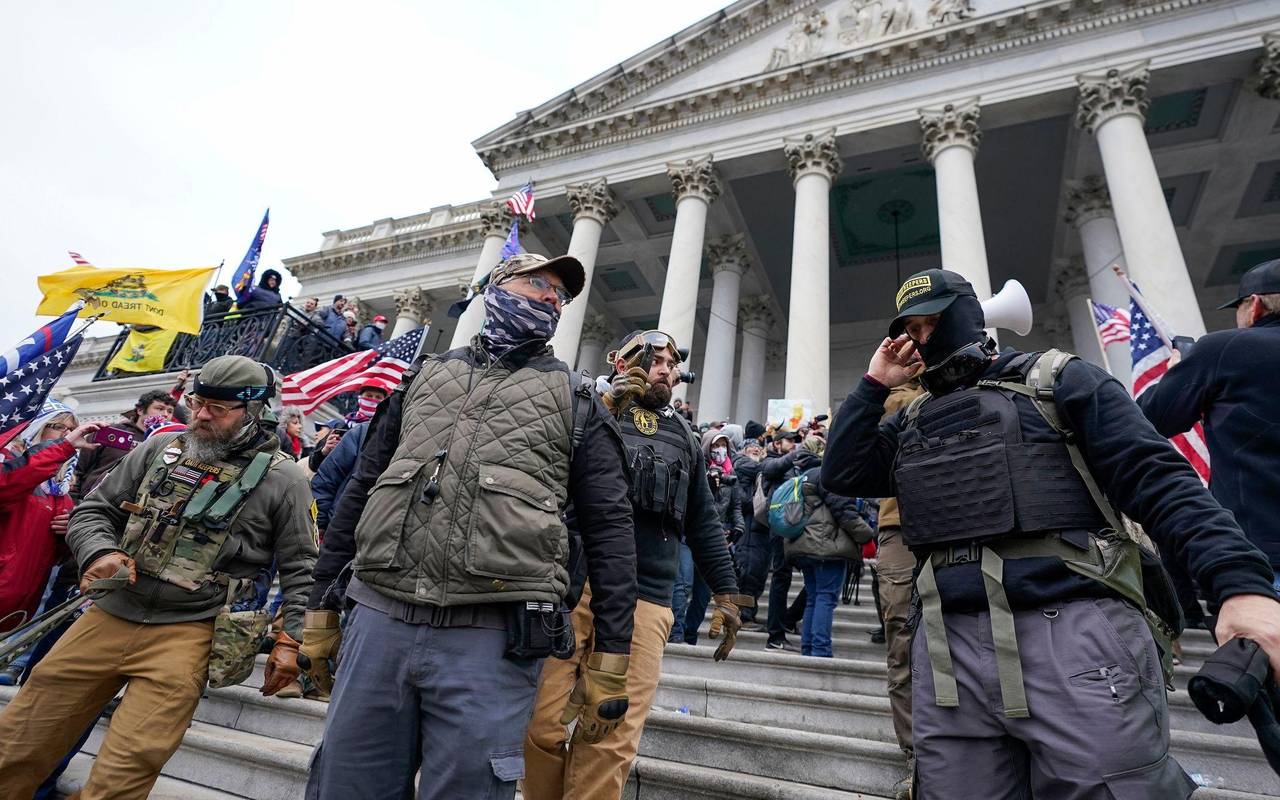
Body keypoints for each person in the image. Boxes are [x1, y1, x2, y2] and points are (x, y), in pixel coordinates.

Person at [822, 268, 1280, 798]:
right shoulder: (912, 419)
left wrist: (1240, 585)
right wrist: (874, 384)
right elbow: (843, 472)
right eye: (911, 330)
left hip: (1072, 628)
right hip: (947, 647)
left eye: (932, 324)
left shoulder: (1060, 380)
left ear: (966, 317)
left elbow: (1157, 478)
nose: (922, 340)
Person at [300, 252, 637, 800]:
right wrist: (319, 610)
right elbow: (360, 491)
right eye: (537, 283)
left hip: (493, 636)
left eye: (559, 294)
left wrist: (612, 655)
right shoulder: (420, 380)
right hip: (379, 619)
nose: (550, 298)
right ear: (495, 288)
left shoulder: (579, 403)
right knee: (346, 784)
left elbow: (610, 532)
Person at [0, 356, 319, 799]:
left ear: (253, 411)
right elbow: (94, 511)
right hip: (109, 613)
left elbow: (303, 567)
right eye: (197, 402)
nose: (201, 415)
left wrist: (292, 640)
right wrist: (101, 552)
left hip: (190, 631)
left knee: (127, 768)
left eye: (217, 408)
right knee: (18, 741)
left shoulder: (285, 479)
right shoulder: (158, 449)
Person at [523, 329, 749, 800]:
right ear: (619, 362)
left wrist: (726, 593)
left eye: (671, 363)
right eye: (652, 359)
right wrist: (605, 410)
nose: (664, 369)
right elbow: (544, 475)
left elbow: (704, 521)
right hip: (572, 587)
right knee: (540, 724)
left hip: (647, 598)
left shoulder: (685, 436)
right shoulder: (584, 409)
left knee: (610, 737)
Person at [1137, 258, 1280, 589]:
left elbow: (1148, 420)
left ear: (1255, 306)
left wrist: (1174, 374)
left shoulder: (1225, 350)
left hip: (1264, 555)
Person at [0, 402, 98, 636]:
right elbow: (9, 486)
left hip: (19, 609)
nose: (68, 434)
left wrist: (69, 531)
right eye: (59, 427)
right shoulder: (9, 465)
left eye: (71, 429)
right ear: (38, 428)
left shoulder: (60, 493)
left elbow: (55, 556)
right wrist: (63, 447)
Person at [872, 377, 924, 790]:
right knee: (903, 642)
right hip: (903, 526)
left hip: (965, 519)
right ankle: (917, 756)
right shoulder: (897, 397)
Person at [782, 435, 872, 657]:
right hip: (825, 546)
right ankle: (820, 650)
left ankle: (809, 649)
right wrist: (867, 536)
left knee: (814, 598)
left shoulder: (803, 475)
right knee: (825, 597)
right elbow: (845, 512)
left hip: (804, 546)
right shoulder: (828, 475)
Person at [670, 430, 742, 644]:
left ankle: (690, 633)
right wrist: (709, 481)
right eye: (715, 445)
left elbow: (736, 506)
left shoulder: (731, 475)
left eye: (723, 445)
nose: (720, 450)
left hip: (715, 537)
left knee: (703, 595)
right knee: (683, 584)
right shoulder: (696, 468)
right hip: (688, 535)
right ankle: (676, 632)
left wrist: (738, 527)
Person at [761, 429, 814, 651]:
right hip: (780, 527)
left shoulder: (797, 465)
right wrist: (797, 453)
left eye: (796, 441)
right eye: (789, 440)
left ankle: (789, 619)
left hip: (798, 527)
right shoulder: (770, 461)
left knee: (815, 577)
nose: (793, 444)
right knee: (781, 577)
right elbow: (772, 468)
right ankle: (775, 635)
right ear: (777, 443)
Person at [73, 389, 176, 499]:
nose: (165, 414)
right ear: (140, 410)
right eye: (159, 408)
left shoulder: (168, 444)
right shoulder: (112, 431)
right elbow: (79, 467)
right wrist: (74, 499)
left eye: (170, 411)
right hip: (93, 498)